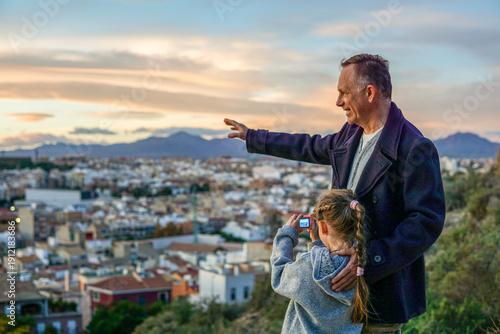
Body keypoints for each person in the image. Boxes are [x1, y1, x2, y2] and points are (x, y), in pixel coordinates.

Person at [224, 54, 446, 333]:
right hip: (337, 301)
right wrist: (255, 137)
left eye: (343, 93)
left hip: (378, 300)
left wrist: (368, 259)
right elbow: (310, 145)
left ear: (369, 92)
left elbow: (427, 221)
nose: (338, 102)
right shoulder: (351, 134)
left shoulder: (414, 147)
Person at [271, 189, 367, 333]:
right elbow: (329, 265)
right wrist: (317, 243)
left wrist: (287, 235)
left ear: (322, 226)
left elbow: (278, 276)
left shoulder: (306, 265)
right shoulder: (359, 267)